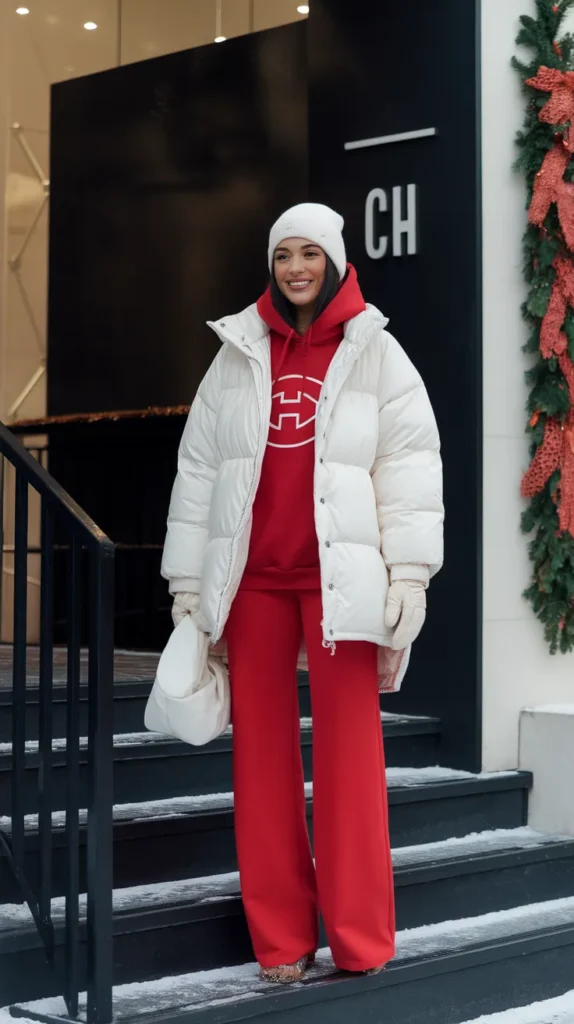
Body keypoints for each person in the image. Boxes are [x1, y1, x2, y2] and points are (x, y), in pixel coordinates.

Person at [161, 203, 444, 984]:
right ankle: (281, 941)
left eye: (308, 254)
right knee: (261, 762)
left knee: (352, 760)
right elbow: (199, 474)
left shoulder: (377, 352)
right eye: (283, 254)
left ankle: (360, 940)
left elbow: (412, 472)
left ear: (335, 259)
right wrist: (191, 586)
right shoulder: (236, 353)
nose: (294, 269)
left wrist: (410, 578)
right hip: (254, 583)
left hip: (340, 585)